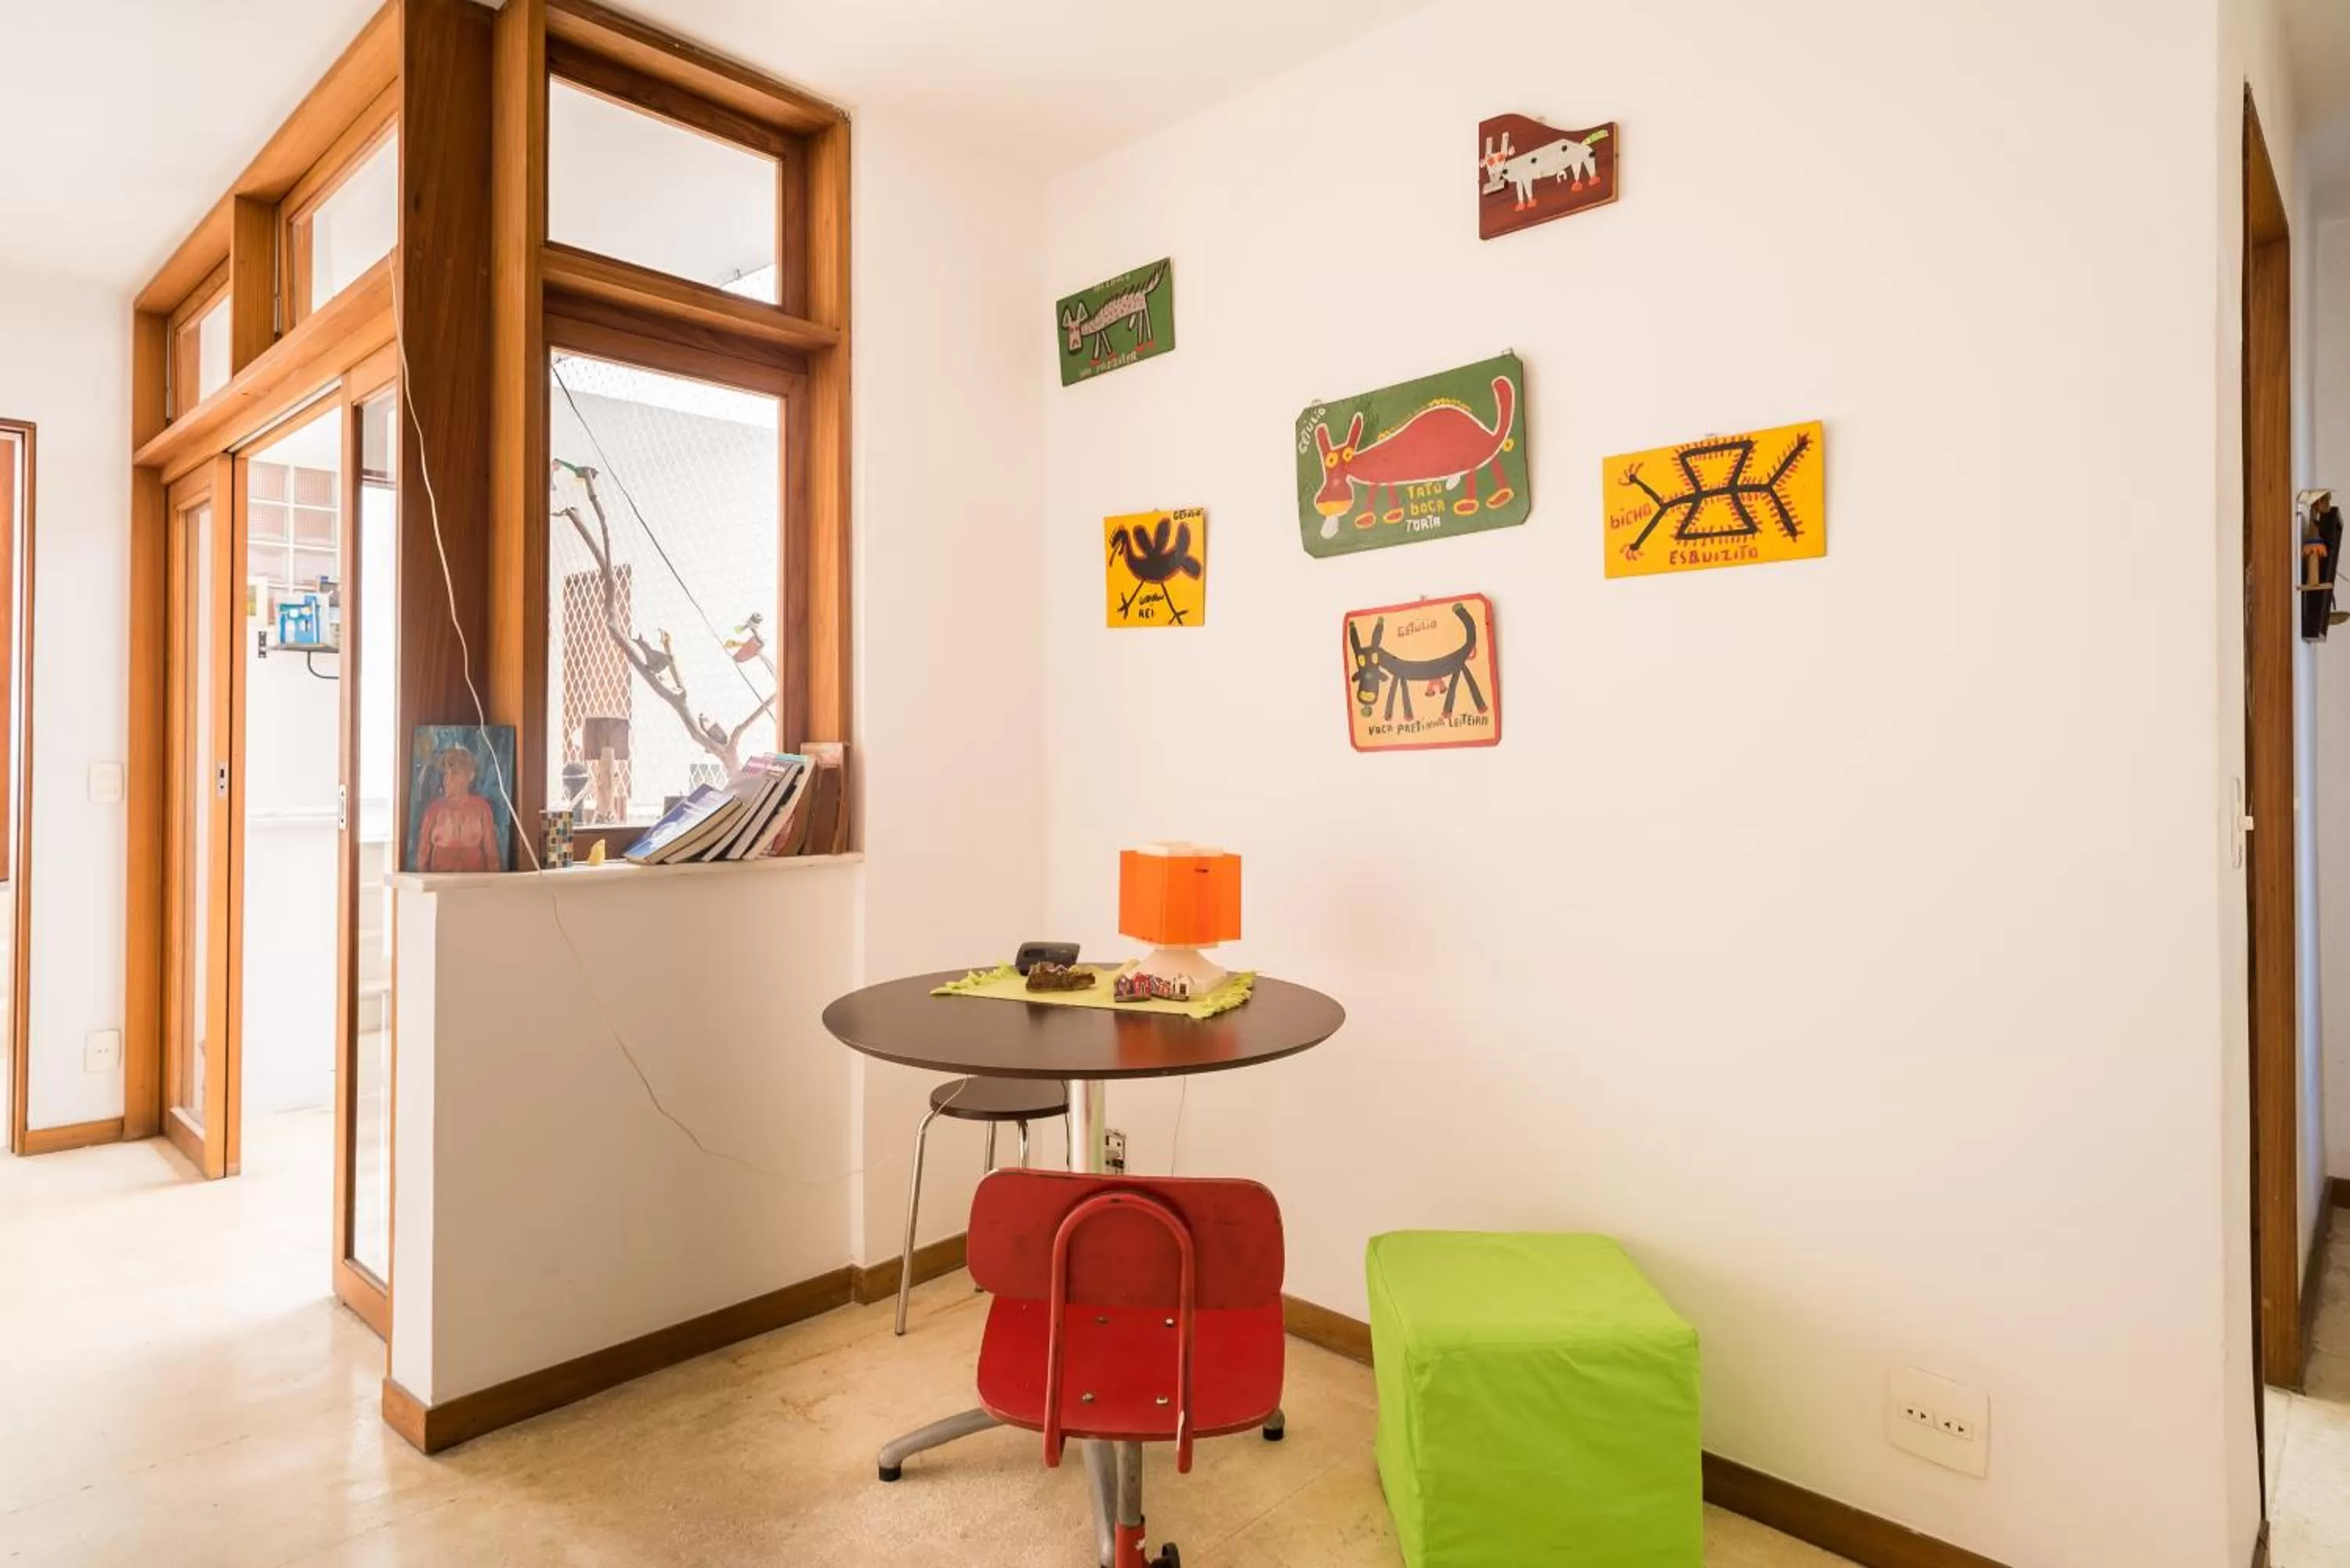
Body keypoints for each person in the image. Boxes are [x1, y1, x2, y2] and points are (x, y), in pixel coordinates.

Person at [414, 746, 502, 873]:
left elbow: (492, 858)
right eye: (446, 774)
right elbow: (422, 858)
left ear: (470, 776)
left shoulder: (482, 809)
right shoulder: (434, 811)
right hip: (441, 888)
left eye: (455, 773)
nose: (448, 780)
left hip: (475, 888)